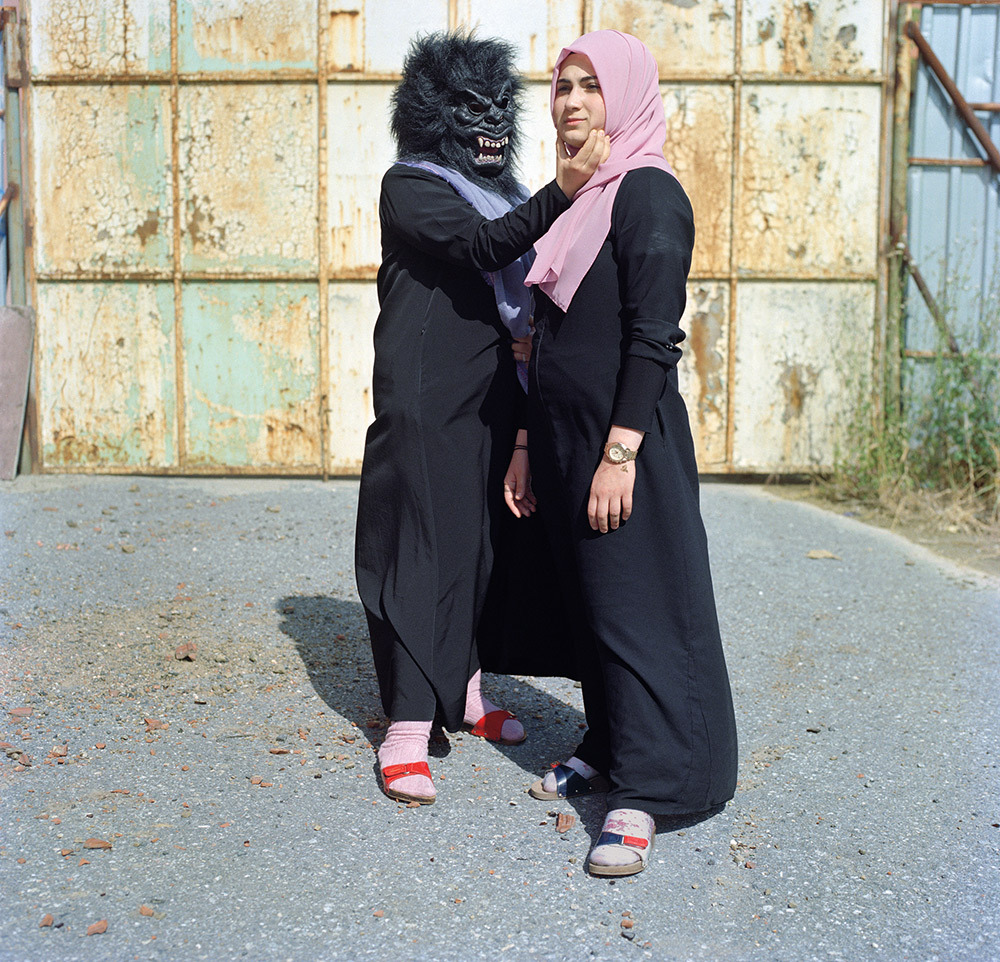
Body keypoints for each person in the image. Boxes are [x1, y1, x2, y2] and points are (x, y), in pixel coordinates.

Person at [354, 31, 608, 806]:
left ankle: (464, 689)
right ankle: (405, 725)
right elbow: (480, 246)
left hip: (496, 397)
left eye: (501, 103)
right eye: (470, 106)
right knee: (416, 542)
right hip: (424, 397)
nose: (492, 120)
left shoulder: (502, 191)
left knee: (484, 544)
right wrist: (563, 192)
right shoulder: (412, 184)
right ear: (434, 115)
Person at [512, 29, 738, 876]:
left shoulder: (647, 192)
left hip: (622, 441)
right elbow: (544, 333)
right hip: (566, 439)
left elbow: (652, 336)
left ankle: (654, 789)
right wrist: (531, 442)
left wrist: (619, 452)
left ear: (628, 97)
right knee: (592, 606)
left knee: (643, 608)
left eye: (589, 87)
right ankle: (609, 747)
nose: (570, 102)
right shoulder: (583, 194)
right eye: (562, 85)